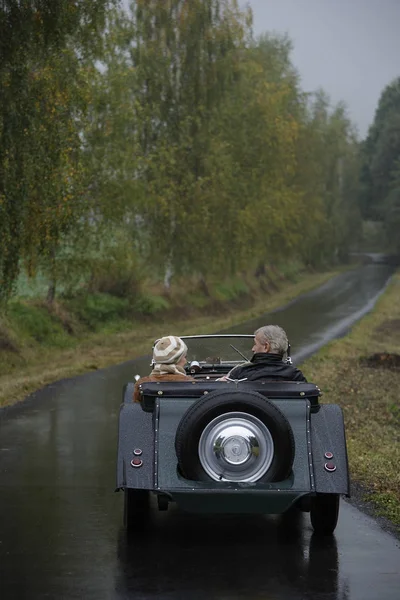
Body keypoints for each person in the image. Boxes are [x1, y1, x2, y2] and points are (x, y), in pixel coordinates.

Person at [220, 325, 307, 382]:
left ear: (266, 347)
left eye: (255, 344)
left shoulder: (241, 373)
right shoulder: (295, 375)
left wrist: (222, 381)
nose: (252, 349)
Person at [133, 335, 194, 402]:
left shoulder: (142, 386)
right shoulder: (191, 384)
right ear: (176, 359)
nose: (186, 361)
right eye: (185, 357)